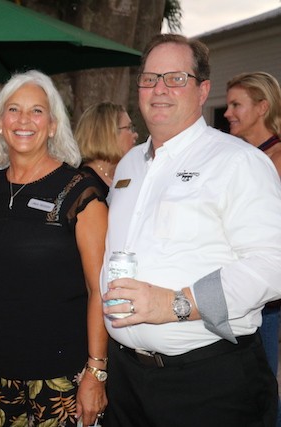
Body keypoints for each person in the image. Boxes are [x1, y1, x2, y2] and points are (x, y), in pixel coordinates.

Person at [101, 34, 281, 427]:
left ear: (202, 90)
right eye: (150, 78)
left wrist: (175, 304)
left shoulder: (238, 162)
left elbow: (272, 266)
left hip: (209, 382)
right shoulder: (129, 164)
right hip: (126, 380)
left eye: (175, 78)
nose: (159, 89)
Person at [0, 70, 109, 427]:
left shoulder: (80, 191)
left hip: (61, 375)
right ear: (0, 123)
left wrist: (96, 372)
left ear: (53, 125)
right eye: (14, 110)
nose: (24, 120)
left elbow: (99, 290)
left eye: (37, 111)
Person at [225, 71, 281, 426]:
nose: (227, 112)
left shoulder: (276, 158)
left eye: (236, 105)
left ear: (262, 107)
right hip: (233, 292)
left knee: (260, 391)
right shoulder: (240, 156)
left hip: (265, 301)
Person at [75, 101, 138, 193]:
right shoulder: (82, 185)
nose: (135, 135)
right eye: (129, 128)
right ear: (107, 134)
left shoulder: (126, 175)